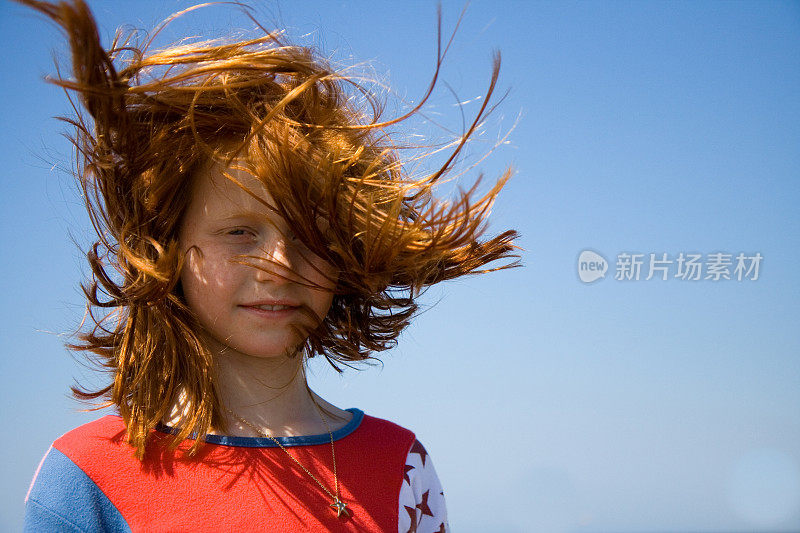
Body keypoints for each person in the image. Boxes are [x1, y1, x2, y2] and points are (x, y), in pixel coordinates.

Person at [20, 1, 519, 531]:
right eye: (239, 231)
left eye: (313, 236)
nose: (281, 264)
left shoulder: (401, 466)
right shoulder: (86, 475)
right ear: (166, 247)